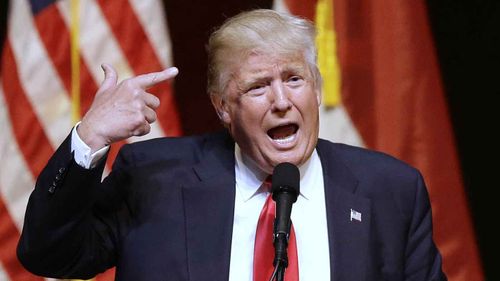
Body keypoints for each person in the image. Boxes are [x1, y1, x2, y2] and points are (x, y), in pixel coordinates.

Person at [17, 9, 447, 281]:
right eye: (259, 86)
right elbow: (49, 255)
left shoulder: (390, 190)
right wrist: (90, 137)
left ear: (316, 90)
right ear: (223, 107)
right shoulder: (154, 178)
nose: (282, 102)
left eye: (294, 79)